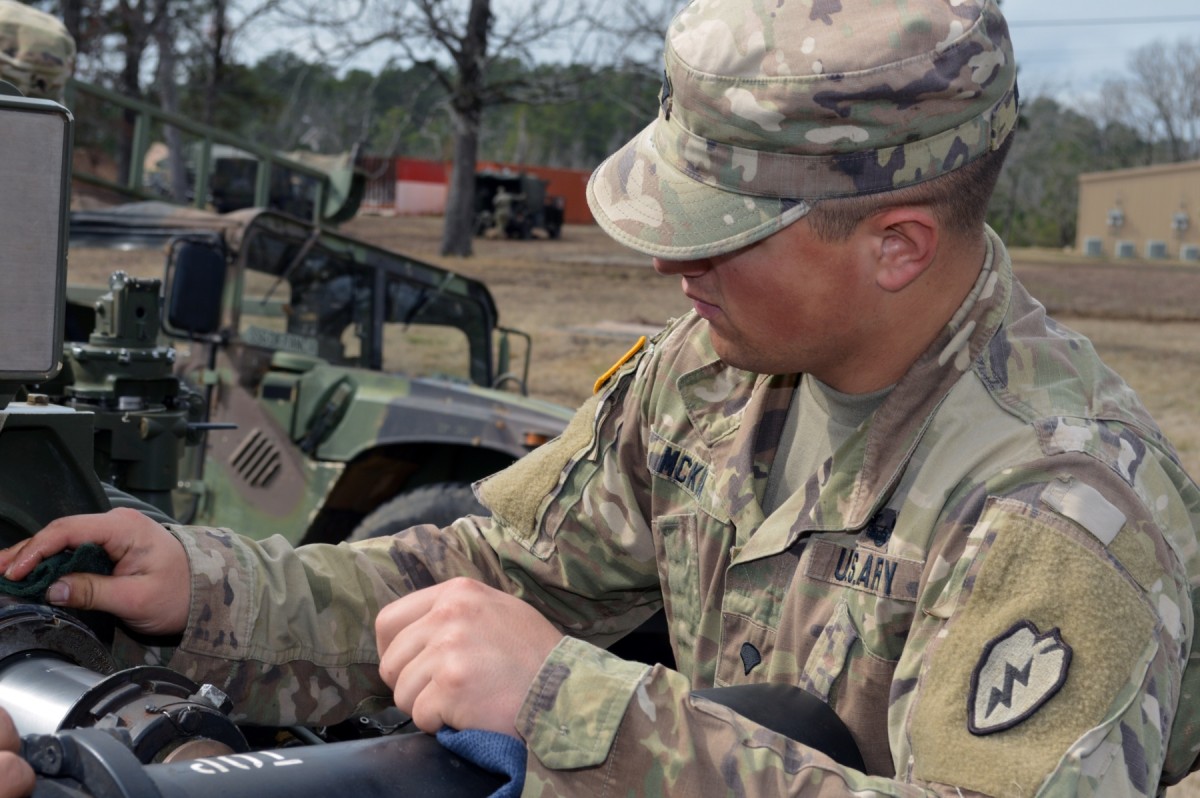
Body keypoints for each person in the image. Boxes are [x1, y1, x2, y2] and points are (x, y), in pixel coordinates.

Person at [2, 0, 1199, 795]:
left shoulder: (1065, 510)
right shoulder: (706, 374)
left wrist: (570, 707)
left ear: (895, 245)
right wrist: (204, 589)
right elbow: (483, 574)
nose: (672, 265)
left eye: (722, 234)